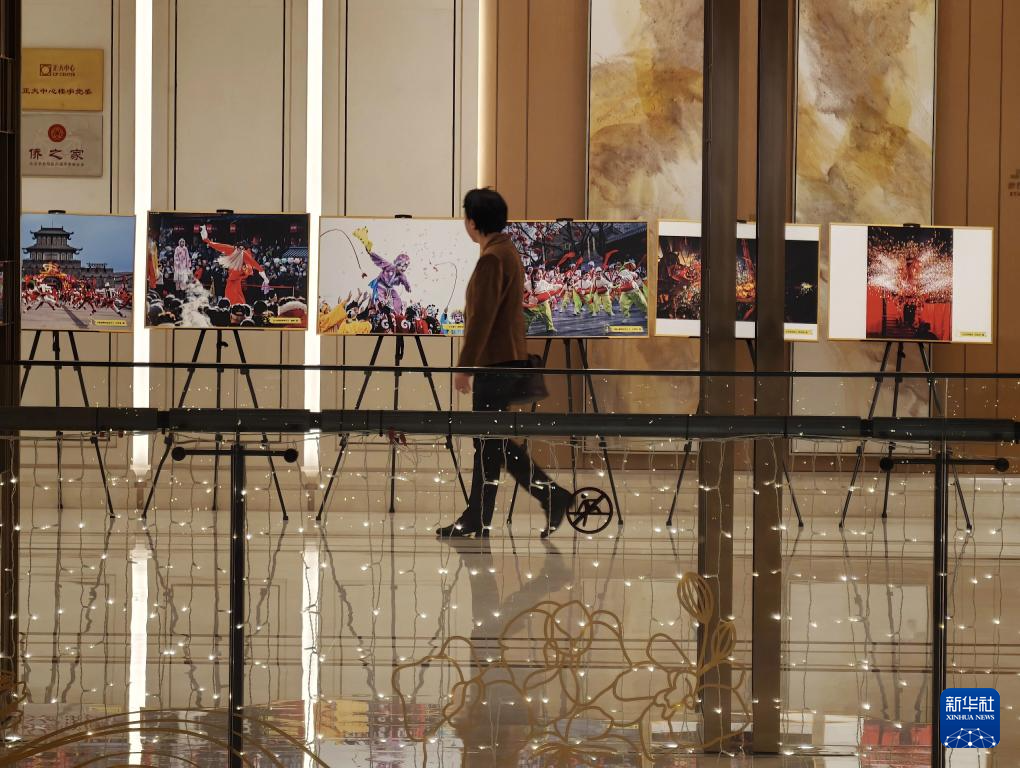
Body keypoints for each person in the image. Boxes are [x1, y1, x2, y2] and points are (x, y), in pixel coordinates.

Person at [437, 188, 574, 539]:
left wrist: (465, 365)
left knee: (489, 441)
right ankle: (483, 514)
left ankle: (547, 496)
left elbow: (482, 318)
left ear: (472, 222)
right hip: (506, 361)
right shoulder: (507, 252)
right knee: (490, 443)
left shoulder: (492, 259)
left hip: (495, 364)